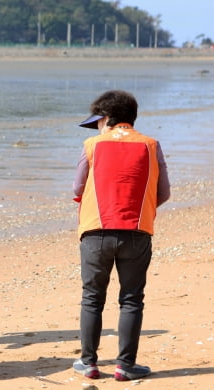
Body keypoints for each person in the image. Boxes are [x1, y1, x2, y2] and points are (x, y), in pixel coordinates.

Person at [71, 90, 171, 381]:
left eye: (98, 122)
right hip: (137, 232)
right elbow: (163, 193)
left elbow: (77, 190)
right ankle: (125, 365)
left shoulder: (91, 145)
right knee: (131, 300)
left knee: (92, 298)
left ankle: (88, 363)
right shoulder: (151, 145)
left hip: (95, 233)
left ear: (105, 119)